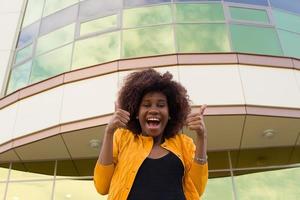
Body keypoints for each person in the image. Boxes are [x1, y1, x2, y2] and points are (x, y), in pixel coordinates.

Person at [93, 68, 208, 200]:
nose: (153, 110)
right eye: (146, 105)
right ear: (136, 112)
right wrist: (109, 132)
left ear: (170, 113)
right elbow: (102, 187)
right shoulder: (122, 138)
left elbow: (197, 189)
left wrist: (202, 137)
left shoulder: (184, 144)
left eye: (161, 105)